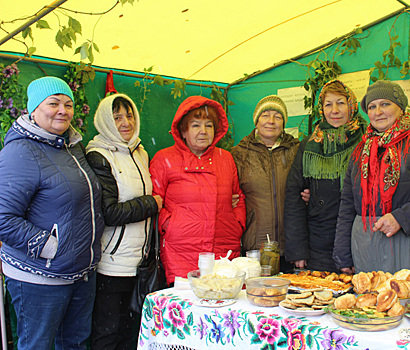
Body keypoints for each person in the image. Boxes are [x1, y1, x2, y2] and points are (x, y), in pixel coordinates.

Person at [0, 76, 104, 349]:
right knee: (38, 345)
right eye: (53, 103)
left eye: (68, 104)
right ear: (33, 109)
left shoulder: (72, 147)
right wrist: (50, 247)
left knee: (75, 344)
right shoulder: (20, 151)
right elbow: (3, 217)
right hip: (40, 276)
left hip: (80, 272)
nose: (63, 110)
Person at [333, 80, 410, 280]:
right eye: (372, 107)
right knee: (375, 305)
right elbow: (348, 204)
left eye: (385, 104)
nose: (378, 112)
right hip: (368, 247)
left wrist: (401, 218)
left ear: (400, 108)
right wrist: (343, 254)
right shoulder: (360, 151)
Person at [86, 94, 162, 349]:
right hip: (112, 263)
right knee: (107, 334)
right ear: (106, 120)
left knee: (133, 331)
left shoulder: (140, 152)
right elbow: (109, 212)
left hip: (138, 262)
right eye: (117, 117)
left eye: (129, 115)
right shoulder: (98, 155)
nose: (125, 122)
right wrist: (151, 204)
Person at [150, 96, 246, 283]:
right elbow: (154, 201)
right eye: (195, 125)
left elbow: (238, 198)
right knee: (185, 307)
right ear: (183, 131)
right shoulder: (164, 159)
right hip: (180, 253)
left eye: (209, 125)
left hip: (223, 251)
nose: (203, 131)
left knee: (222, 306)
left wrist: (237, 224)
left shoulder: (225, 158)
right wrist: (170, 226)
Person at [284, 80, 367, 272]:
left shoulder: (367, 141)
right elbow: (294, 196)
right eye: (328, 104)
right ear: (321, 109)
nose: (334, 110)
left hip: (359, 238)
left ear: (352, 105)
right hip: (319, 242)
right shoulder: (309, 144)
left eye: (340, 102)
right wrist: (298, 250)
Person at [231, 95, 300, 272]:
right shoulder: (239, 154)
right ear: (256, 120)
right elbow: (229, 190)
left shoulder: (296, 150)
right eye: (265, 115)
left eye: (277, 116)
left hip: (290, 245)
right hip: (254, 245)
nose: (271, 121)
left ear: (283, 123)